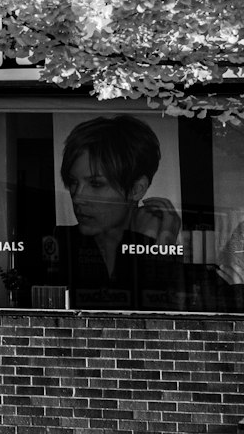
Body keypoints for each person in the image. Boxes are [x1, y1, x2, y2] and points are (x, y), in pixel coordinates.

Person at [49, 114, 183, 309]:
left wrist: (160, 245)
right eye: (73, 183)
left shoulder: (151, 242)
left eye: (96, 184)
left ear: (137, 189)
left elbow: (162, 310)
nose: (77, 197)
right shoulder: (62, 241)